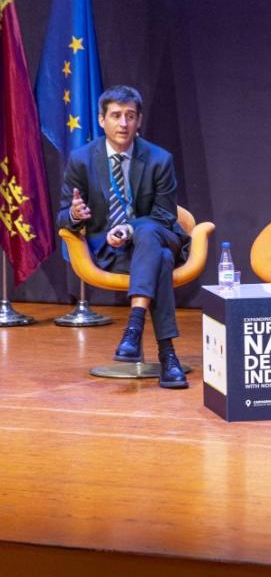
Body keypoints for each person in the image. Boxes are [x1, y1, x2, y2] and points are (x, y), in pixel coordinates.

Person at [57, 85, 190, 388]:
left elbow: (165, 216)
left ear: (139, 120)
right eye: (115, 115)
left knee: (149, 235)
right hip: (113, 253)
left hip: (157, 234)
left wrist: (130, 228)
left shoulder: (159, 159)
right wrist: (76, 215)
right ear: (102, 120)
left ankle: (134, 329)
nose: (123, 123)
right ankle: (168, 354)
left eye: (130, 116)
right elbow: (62, 217)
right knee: (163, 259)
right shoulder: (82, 160)